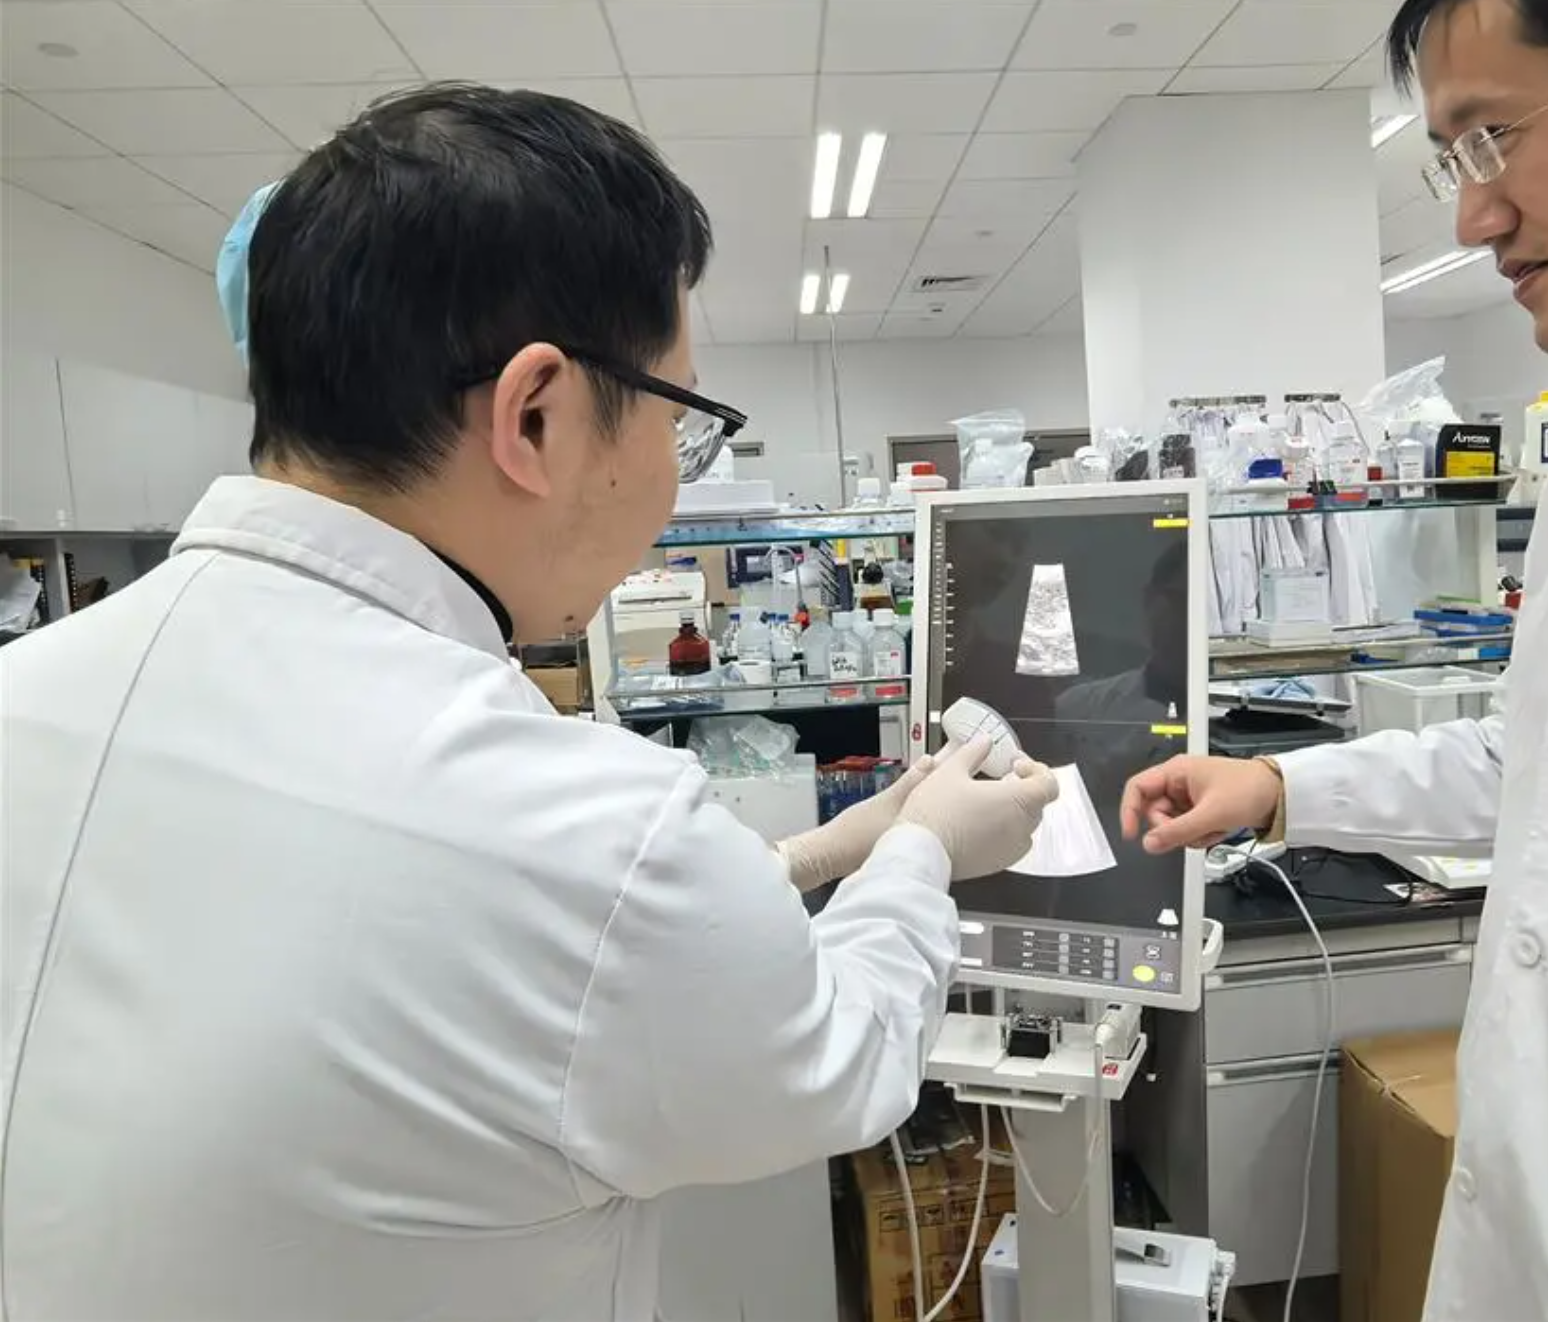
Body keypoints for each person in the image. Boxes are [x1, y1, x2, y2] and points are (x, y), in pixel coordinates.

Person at [0, 85, 1058, 1321]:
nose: (674, 477)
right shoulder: (581, 826)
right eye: (684, 420)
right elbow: (840, 1060)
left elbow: (499, 943)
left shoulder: (33, 691)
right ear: (537, 415)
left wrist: (822, 850)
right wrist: (925, 849)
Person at [1122, 2, 1548, 1318]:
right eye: (1448, 162)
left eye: (1492, 138)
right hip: (1542, 1218)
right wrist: (1278, 789)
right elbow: (1539, 751)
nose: (1473, 216)